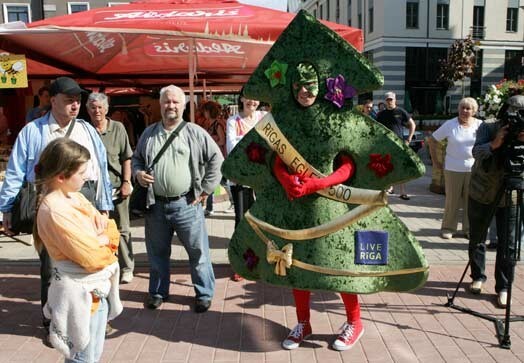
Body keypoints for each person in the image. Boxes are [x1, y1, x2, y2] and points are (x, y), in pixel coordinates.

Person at [0, 76, 113, 344]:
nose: (75, 105)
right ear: (52, 101)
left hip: (85, 203)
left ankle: (91, 315)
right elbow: (15, 171)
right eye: (68, 100)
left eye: (77, 100)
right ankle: (55, 323)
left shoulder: (87, 130)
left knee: (89, 261)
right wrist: (6, 209)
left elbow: (101, 170)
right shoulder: (33, 131)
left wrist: (105, 207)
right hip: (49, 208)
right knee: (53, 268)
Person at [132, 85, 223, 313]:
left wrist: (205, 190)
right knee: (157, 253)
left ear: (183, 105)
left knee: (198, 252)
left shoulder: (194, 132)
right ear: (160, 105)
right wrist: (137, 174)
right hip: (155, 206)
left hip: (186, 205)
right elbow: (137, 159)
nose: (170, 106)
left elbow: (217, 160)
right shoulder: (149, 133)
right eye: (166, 102)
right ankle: (158, 292)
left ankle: (203, 293)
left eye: (175, 102)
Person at [34, 138, 122, 362]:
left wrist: (102, 237)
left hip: (94, 291)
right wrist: (103, 241)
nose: (87, 175)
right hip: (78, 295)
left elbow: (110, 226)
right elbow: (92, 258)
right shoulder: (55, 209)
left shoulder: (76, 196)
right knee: (81, 358)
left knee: (92, 355)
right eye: (82, 171)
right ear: (61, 175)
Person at [468, 95, 524, 308]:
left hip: (511, 194)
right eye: (514, 111)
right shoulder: (489, 127)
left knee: (508, 243)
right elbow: (476, 152)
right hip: (482, 192)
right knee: (477, 237)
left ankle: (503, 287)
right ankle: (478, 276)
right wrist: (495, 144)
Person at [87, 93, 135, 284]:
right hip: (93, 188)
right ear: (88, 109)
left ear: (107, 109)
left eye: (100, 107)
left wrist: (126, 181)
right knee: (97, 229)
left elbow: (126, 157)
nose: (96, 111)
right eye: (93, 107)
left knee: (123, 229)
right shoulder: (85, 129)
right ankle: (103, 265)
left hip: (116, 186)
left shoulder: (118, 128)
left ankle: (127, 267)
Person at [226, 88, 267, 281]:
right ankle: (241, 262)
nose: (252, 101)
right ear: (241, 98)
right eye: (248, 97)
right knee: (242, 221)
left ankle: (263, 260)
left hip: (264, 180)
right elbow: (232, 148)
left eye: (255, 97)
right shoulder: (233, 121)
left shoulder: (264, 117)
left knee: (263, 220)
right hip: (241, 180)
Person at [428, 97, 482, 239]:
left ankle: (469, 229)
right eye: (462, 108)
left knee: (470, 201)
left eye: (468, 108)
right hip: (453, 168)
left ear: (474, 111)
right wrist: (435, 161)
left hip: (473, 169)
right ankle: (448, 228)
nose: (464, 111)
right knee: (452, 200)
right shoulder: (449, 124)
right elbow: (432, 140)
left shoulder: (480, 125)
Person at [376, 91, 416, 200]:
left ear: (395, 100)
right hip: (386, 144)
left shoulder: (401, 111)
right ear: (385, 101)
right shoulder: (381, 114)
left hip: (399, 144)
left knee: (401, 167)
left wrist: (409, 139)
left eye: (391, 99)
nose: (389, 102)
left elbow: (412, 124)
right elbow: (377, 129)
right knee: (387, 166)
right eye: (387, 100)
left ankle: (403, 192)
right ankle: (390, 187)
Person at [201, 101, 226, 216]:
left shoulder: (217, 124)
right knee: (210, 181)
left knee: (222, 181)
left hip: (217, 157)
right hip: (209, 157)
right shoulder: (208, 124)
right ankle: (209, 207)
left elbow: (222, 141)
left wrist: (211, 139)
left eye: (205, 111)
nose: (204, 113)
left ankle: (232, 201)